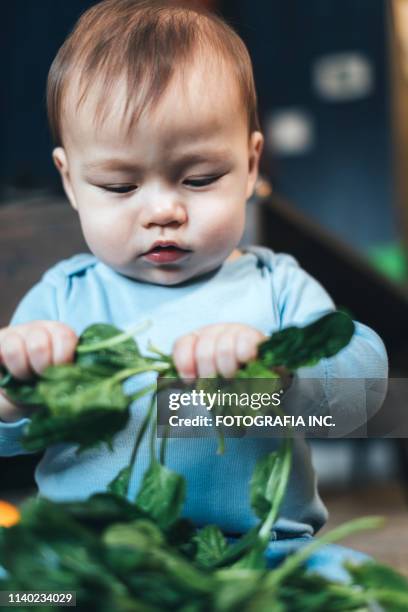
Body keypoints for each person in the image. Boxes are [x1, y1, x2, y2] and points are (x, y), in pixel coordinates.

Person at [0, 0, 387, 582]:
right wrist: (15, 395)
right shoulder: (60, 300)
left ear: (251, 164)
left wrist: (272, 380)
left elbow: (365, 388)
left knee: (360, 589)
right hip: (94, 556)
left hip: (260, 551)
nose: (163, 211)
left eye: (200, 179)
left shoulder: (275, 286)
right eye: (119, 185)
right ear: (71, 182)